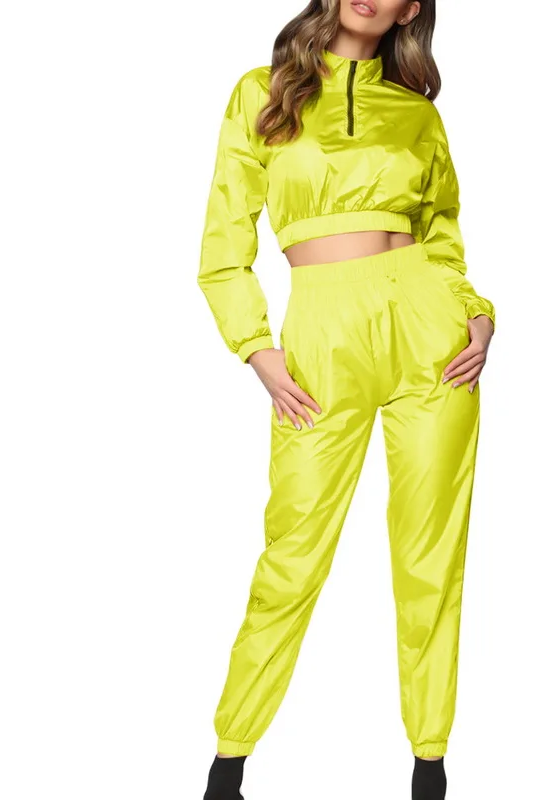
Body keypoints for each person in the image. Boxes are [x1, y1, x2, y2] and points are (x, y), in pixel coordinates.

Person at [197, 2, 495, 798]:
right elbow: (223, 246)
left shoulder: (418, 113)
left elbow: (443, 237)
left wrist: (476, 314)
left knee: (432, 556)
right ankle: (229, 760)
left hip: (432, 335)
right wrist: (257, 350)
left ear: (411, 10)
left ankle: (429, 760)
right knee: (293, 551)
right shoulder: (261, 92)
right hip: (321, 337)